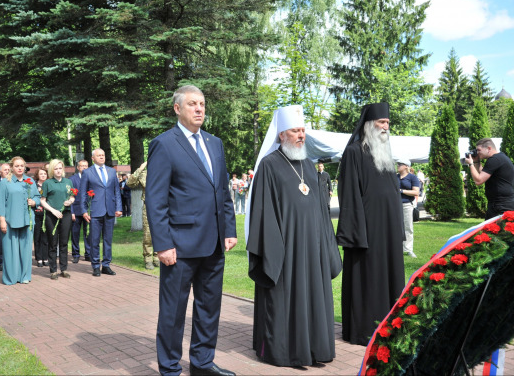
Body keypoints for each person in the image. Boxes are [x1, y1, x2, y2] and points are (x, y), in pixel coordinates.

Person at [146, 85, 237, 376]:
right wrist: (162, 244)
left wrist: (229, 228)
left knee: (209, 308)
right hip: (180, 245)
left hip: (214, 244)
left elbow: (222, 191)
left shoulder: (215, 143)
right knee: (173, 312)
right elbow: (156, 198)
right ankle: (170, 368)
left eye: (202, 104)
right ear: (177, 109)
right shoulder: (165, 143)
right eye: (192, 104)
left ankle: (202, 363)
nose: (199, 109)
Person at [246, 105, 340, 366]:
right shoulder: (269, 165)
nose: (301, 135)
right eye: (295, 131)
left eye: (303, 130)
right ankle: (286, 351)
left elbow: (320, 209)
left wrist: (325, 245)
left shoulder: (310, 166)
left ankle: (313, 349)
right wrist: (275, 251)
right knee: (285, 298)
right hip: (285, 250)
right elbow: (264, 212)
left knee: (312, 298)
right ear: (281, 135)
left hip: (312, 248)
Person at [336, 102, 405, 346]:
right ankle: (363, 329)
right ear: (369, 125)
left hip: (388, 229)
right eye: (382, 123)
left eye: (388, 123)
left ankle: (390, 325)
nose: (386, 127)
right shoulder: (354, 152)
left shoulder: (386, 154)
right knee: (368, 278)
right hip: (367, 229)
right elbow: (349, 194)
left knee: (389, 275)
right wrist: (356, 231)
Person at [78, 149, 122, 277]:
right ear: (93, 158)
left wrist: (118, 207)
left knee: (108, 240)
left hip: (109, 211)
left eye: (103, 155)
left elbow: (116, 191)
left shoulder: (112, 171)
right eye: (99, 155)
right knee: (94, 240)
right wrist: (84, 211)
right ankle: (96, 266)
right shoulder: (87, 172)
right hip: (95, 211)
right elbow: (82, 194)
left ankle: (106, 265)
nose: (102, 157)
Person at [0, 157, 40, 285]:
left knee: (26, 250)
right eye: (17, 166)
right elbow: (1, 203)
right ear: (12, 167)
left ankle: (24, 276)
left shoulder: (30, 181)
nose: (20, 168)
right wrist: (2, 220)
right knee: (10, 250)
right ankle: (11, 277)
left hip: (27, 220)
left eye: (22, 165)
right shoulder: (5, 183)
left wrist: (34, 202)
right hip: (10, 221)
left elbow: (37, 197)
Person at [41, 159, 75, 280]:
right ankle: (53, 270)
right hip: (52, 215)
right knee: (53, 242)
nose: (58, 171)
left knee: (64, 242)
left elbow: (72, 196)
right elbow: (42, 201)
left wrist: (70, 201)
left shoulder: (68, 182)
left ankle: (64, 269)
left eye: (60, 168)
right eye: (56, 168)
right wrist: (53, 210)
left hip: (65, 214)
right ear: (51, 170)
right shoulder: (47, 183)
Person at [465, 138, 514, 219]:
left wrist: (471, 164)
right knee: (489, 230)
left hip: (502, 205)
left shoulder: (495, 159)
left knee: (498, 230)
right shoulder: (499, 157)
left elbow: (478, 181)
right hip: (499, 203)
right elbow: (482, 175)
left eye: (479, 150)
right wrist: (476, 162)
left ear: (489, 149)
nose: (477, 153)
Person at [127, 161, 159, 270]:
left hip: (162, 207)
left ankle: (157, 258)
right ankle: (148, 259)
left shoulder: (163, 172)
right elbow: (130, 183)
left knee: (160, 232)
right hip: (148, 207)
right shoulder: (143, 174)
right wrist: (140, 169)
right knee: (148, 235)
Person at [397, 159, 420, 258]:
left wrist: (401, 191)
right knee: (395, 227)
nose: (397, 166)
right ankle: (396, 248)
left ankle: (408, 249)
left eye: (399, 164)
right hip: (395, 204)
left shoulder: (412, 177)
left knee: (408, 227)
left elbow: (416, 192)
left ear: (406, 166)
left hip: (407, 204)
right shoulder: (395, 177)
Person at [70, 159, 90, 263]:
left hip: (88, 210)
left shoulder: (91, 178)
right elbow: (70, 196)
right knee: (75, 233)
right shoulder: (72, 179)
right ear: (78, 167)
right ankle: (76, 254)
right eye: (82, 166)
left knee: (88, 233)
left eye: (86, 166)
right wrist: (71, 211)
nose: (84, 168)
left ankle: (88, 254)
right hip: (76, 210)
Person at [32, 167, 49, 267]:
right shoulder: (34, 185)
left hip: (47, 214)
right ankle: (38, 258)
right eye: (41, 174)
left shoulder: (49, 184)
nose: (43, 175)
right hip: (36, 214)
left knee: (45, 237)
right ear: (38, 175)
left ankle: (45, 258)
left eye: (45, 174)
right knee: (37, 236)